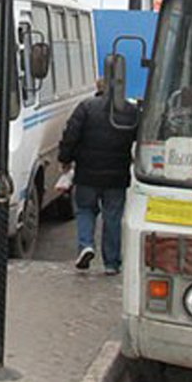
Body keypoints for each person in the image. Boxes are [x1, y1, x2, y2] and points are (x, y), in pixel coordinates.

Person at [58, 77, 138, 275]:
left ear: (98, 88)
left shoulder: (86, 107)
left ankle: (86, 245)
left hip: (87, 173)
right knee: (112, 217)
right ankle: (111, 263)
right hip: (117, 176)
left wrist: (65, 159)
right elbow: (140, 137)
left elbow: (71, 135)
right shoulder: (130, 111)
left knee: (85, 210)